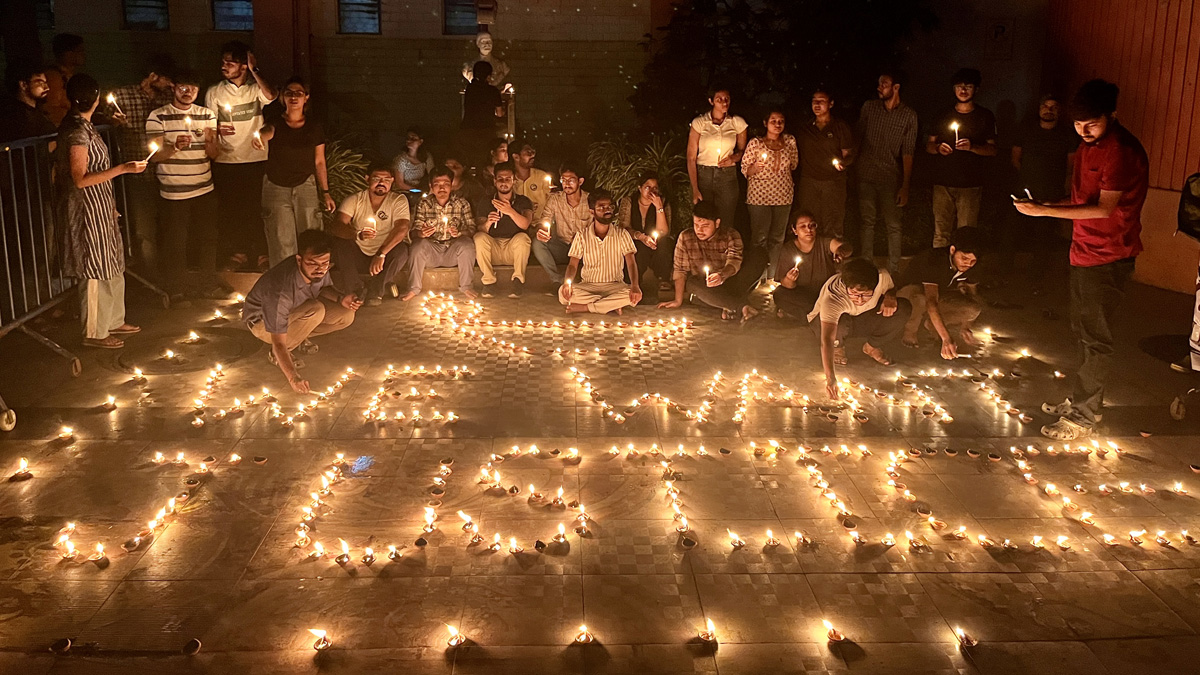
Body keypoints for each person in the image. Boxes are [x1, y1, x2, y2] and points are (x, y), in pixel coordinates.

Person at [1014, 79, 1148, 441]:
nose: (1084, 131)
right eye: (1078, 125)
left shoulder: (1119, 150)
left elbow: (1103, 209)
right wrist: (1040, 206)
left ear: (1112, 116)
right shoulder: (1089, 146)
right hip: (1084, 251)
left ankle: (1085, 415)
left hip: (1109, 256)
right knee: (1083, 333)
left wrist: (1044, 212)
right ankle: (1082, 401)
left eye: (1092, 124)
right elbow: (1079, 199)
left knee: (1096, 338)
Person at [55, 74, 147, 349]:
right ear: (95, 98)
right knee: (95, 268)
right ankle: (94, 331)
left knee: (112, 262)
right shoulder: (76, 132)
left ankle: (114, 319)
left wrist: (111, 205)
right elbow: (80, 178)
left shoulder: (86, 126)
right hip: (85, 210)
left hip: (101, 206)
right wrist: (123, 169)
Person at [243, 229, 361, 393]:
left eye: (325, 263)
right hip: (262, 323)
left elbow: (321, 288)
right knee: (316, 310)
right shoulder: (280, 289)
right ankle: (278, 354)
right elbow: (278, 341)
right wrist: (293, 377)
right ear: (299, 260)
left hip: (298, 311)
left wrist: (341, 299)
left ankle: (297, 337)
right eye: (313, 263)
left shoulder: (318, 270)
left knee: (346, 315)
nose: (320, 269)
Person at [145, 68, 221, 301]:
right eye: (183, 88)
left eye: (193, 89)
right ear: (174, 88)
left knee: (208, 237)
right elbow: (154, 155)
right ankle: (177, 289)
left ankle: (208, 285)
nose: (188, 93)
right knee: (176, 241)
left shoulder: (207, 115)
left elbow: (214, 154)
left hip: (203, 186)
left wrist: (211, 141)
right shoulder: (158, 116)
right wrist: (175, 147)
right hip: (174, 190)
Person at [205, 40, 277, 271]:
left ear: (243, 66)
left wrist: (255, 70)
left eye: (231, 62)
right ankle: (239, 253)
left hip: (255, 159)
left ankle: (261, 254)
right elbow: (208, 125)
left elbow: (272, 95)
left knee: (256, 208)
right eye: (223, 62)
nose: (224, 66)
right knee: (233, 210)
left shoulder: (255, 89)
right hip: (227, 161)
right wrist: (217, 130)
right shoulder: (215, 91)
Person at [106, 55, 175, 274]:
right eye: (167, 80)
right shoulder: (124, 96)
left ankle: (169, 271)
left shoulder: (167, 98)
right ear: (153, 77)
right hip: (137, 173)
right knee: (144, 229)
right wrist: (113, 121)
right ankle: (151, 274)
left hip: (165, 171)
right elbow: (104, 122)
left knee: (169, 225)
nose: (171, 85)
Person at [253, 77, 333, 266]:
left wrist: (326, 192)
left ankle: (311, 281)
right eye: (289, 93)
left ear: (306, 97)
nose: (293, 97)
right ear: (283, 97)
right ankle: (284, 285)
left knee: (310, 236)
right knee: (281, 238)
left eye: (298, 93)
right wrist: (260, 138)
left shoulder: (314, 127)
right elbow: (267, 132)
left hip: (305, 184)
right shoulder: (275, 122)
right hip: (276, 185)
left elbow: (319, 161)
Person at [809, 258, 911, 399]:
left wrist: (890, 296)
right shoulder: (834, 297)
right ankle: (838, 347)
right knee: (839, 323)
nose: (860, 299)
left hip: (860, 318)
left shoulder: (881, 277)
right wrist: (831, 378)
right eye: (855, 294)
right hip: (828, 323)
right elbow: (826, 339)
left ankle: (871, 346)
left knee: (903, 307)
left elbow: (891, 287)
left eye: (866, 294)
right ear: (846, 286)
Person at [1010, 93, 1077, 291]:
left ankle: (1036, 278)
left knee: (1044, 236)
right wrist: (1026, 179)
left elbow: (1071, 165)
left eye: (1054, 106)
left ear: (1060, 110)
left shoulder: (1067, 135)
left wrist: (1063, 189)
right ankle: (1003, 273)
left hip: (1052, 193)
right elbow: (1015, 158)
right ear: (1039, 108)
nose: (1049, 110)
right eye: (1045, 106)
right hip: (1024, 189)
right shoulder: (1026, 130)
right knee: (1012, 231)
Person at [658, 200, 766, 321]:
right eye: (696, 225)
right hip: (705, 285)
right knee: (692, 283)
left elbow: (734, 262)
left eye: (705, 226)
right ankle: (740, 306)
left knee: (760, 256)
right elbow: (680, 270)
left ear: (717, 223)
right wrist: (678, 300)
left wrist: (722, 275)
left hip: (731, 281)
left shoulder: (730, 235)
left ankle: (721, 303)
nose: (700, 230)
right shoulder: (686, 237)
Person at [926, 68, 997, 248]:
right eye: (959, 86)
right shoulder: (943, 114)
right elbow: (929, 145)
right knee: (941, 232)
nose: (963, 90)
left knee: (966, 234)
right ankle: (940, 271)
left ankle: (964, 272)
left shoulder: (985, 116)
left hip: (970, 185)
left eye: (968, 86)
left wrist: (972, 147)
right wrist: (938, 148)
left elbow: (993, 149)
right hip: (943, 182)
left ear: (976, 90)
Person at [857, 69, 918, 275]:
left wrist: (905, 185)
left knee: (893, 224)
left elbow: (908, 151)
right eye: (879, 83)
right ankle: (865, 266)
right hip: (866, 173)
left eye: (884, 84)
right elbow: (858, 137)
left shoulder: (908, 116)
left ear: (896, 87)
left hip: (889, 177)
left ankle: (893, 270)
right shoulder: (870, 108)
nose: (879, 87)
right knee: (867, 222)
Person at [330, 162, 411, 305]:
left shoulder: (398, 200)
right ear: (367, 179)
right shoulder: (355, 200)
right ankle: (356, 290)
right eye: (377, 178)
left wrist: (381, 253)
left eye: (386, 179)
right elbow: (338, 225)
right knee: (340, 244)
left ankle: (376, 290)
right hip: (359, 254)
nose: (381, 183)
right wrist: (357, 234)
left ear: (392, 181)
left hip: (383, 257)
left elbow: (402, 228)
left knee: (402, 250)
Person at [895, 228, 983, 358]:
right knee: (920, 299)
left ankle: (931, 324)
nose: (968, 264)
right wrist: (946, 338)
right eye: (964, 258)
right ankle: (910, 331)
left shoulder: (971, 265)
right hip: (908, 294)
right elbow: (931, 302)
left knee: (973, 309)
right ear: (952, 250)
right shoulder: (934, 259)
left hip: (938, 293)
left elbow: (972, 295)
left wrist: (966, 325)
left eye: (972, 261)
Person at [559, 190, 641, 314]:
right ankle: (610, 305)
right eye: (601, 207)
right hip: (588, 286)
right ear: (592, 212)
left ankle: (587, 307)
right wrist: (567, 283)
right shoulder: (582, 235)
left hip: (615, 285)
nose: (607, 210)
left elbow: (631, 263)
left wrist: (635, 286)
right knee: (562, 293)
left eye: (609, 207)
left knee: (633, 296)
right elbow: (572, 264)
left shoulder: (622, 234)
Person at [404, 166, 477, 300]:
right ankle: (414, 288)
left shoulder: (461, 203)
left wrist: (459, 233)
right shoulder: (424, 204)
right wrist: (421, 233)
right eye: (437, 184)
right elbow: (414, 232)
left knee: (467, 245)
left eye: (446, 184)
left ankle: (466, 286)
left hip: (453, 251)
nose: (442, 188)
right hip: (431, 252)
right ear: (431, 186)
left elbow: (472, 229)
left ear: (452, 185)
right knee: (417, 246)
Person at [742, 109, 798, 273]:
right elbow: (745, 170)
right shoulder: (756, 143)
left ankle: (773, 274)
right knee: (760, 238)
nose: (777, 124)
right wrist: (755, 167)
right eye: (773, 121)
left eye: (781, 121)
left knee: (777, 238)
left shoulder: (789, 141)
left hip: (783, 195)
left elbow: (794, 164)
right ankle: (757, 274)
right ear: (766, 123)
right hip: (759, 197)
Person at [687, 87, 747, 235]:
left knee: (726, 219)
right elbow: (691, 157)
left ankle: (725, 253)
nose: (724, 102)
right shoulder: (700, 123)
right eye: (719, 99)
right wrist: (695, 188)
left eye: (726, 99)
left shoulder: (737, 123)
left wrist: (733, 158)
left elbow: (743, 152)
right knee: (704, 218)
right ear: (711, 101)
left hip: (727, 176)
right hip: (704, 174)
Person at [771, 210, 851, 319]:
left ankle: (807, 316)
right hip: (804, 296)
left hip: (827, 293)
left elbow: (843, 247)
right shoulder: (788, 249)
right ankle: (818, 315)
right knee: (779, 294)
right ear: (795, 230)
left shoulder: (823, 243)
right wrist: (790, 279)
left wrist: (840, 252)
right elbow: (786, 285)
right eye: (802, 226)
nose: (808, 229)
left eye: (812, 225)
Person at [797, 89, 854, 237]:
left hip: (833, 182)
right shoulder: (806, 127)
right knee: (810, 223)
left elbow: (848, 155)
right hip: (809, 182)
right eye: (814, 100)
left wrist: (843, 162)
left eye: (821, 101)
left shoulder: (840, 127)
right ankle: (810, 258)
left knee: (833, 222)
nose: (817, 104)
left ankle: (833, 256)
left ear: (831, 104)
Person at [475, 162, 534, 298]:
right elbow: (480, 229)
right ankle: (489, 282)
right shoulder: (486, 201)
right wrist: (489, 222)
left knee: (523, 238)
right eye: (500, 179)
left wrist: (510, 211)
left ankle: (518, 281)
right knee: (479, 238)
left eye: (508, 179)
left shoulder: (523, 201)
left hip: (513, 250)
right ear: (495, 181)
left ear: (514, 181)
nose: (504, 182)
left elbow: (525, 224)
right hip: (493, 249)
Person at [532, 164, 590, 285]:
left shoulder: (590, 201)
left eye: (571, 180)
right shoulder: (555, 199)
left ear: (580, 181)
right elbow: (544, 219)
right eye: (563, 180)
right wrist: (542, 231)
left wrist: (583, 240)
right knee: (538, 243)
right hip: (563, 247)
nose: (567, 184)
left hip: (586, 250)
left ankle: (589, 280)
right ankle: (557, 281)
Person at [617, 172, 673, 293]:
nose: (652, 192)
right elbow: (623, 228)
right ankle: (634, 282)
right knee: (638, 249)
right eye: (647, 187)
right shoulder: (629, 202)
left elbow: (663, 231)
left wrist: (659, 207)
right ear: (640, 188)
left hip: (655, 242)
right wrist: (640, 237)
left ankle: (663, 278)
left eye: (655, 188)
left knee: (665, 243)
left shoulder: (663, 202)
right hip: (636, 239)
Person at [460, 60, 504, 163]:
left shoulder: (470, 88)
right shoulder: (493, 91)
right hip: (486, 130)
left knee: (469, 158)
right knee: (484, 159)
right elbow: (499, 113)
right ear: (488, 76)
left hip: (467, 129)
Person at [0, 64, 55, 141]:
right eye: (40, 83)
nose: (46, 88)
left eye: (45, 83)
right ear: (23, 85)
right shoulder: (14, 117)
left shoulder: (36, 112)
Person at [43, 34, 86, 127]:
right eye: (80, 51)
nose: (83, 54)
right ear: (68, 54)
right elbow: (51, 108)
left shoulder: (70, 76)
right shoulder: (54, 77)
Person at [510, 137, 552, 221]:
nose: (532, 155)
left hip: (539, 224)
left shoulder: (541, 176)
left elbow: (551, 201)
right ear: (516, 157)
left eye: (533, 152)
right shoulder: (509, 179)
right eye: (528, 152)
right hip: (517, 226)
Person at [392, 126, 435, 193]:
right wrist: (416, 190)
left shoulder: (426, 157)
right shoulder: (401, 159)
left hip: (419, 190)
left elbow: (433, 175)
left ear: (420, 142)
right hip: (402, 192)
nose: (409, 140)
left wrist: (431, 188)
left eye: (413, 138)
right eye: (408, 138)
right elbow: (399, 183)